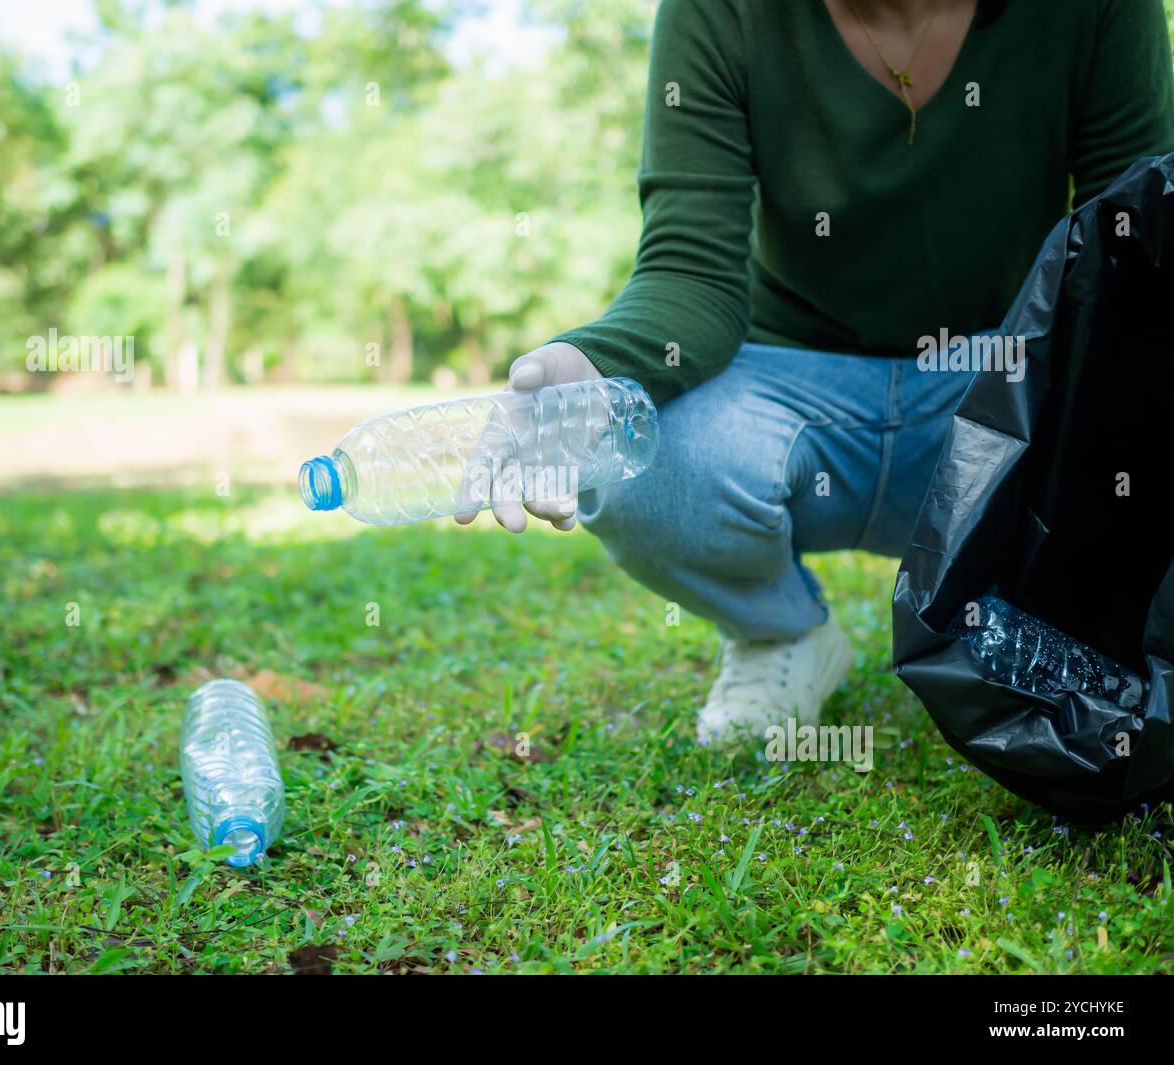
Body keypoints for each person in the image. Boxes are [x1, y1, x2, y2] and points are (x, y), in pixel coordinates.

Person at [457, 0, 1174, 744]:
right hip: (787, 394)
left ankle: (1029, 631)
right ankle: (782, 633)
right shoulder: (718, 13)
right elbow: (689, 271)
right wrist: (586, 367)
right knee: (632, 455)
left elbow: (1128, 250)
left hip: (995, 394)